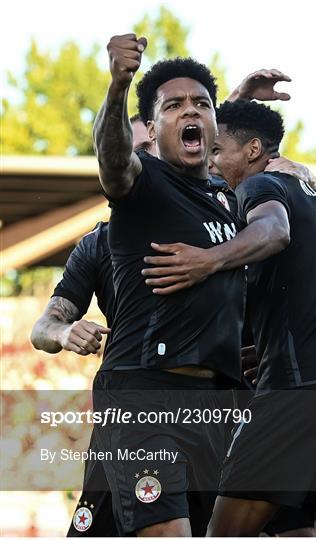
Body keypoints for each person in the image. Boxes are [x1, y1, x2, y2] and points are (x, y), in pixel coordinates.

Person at [141, 100, 316, 537]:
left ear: (253, 150)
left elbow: (274, 231)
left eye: (218, 151)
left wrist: (208, 261)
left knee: (224, 533)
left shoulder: (260, 186)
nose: (212, 162)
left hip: (298, 389)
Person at [91, 33, 247, 536]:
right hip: (147, 394)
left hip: (222, 402)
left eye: (201, 104)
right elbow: (113, 160)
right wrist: (118, 87)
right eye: (173, 105)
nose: (190, 112)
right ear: (152, 129)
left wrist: (235, 100)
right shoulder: (147, 185)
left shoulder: (228, 196)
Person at [30, 118, 158, 536]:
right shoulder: (97, 244)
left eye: (148, 149)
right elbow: (43, 327)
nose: (138, 160)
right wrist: (66, 333)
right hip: (130, 408)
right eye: (129, 150)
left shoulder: (215, 224)